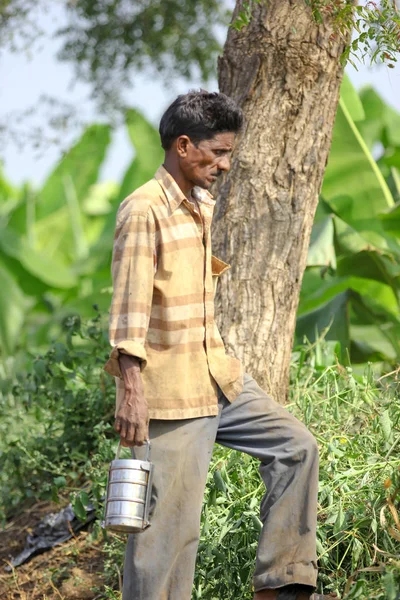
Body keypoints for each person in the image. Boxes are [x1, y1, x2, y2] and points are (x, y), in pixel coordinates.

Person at [104, 91, 327, 600]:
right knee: (165, 540)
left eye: (229, 153)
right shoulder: (143, 210)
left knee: (297, 448)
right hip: (169, 393)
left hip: (218, 377)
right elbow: (128, 307)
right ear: (184, 145)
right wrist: (132, 392)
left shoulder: (201, 204)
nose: (226, 165)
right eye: (219, 153)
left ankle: (283, 586)